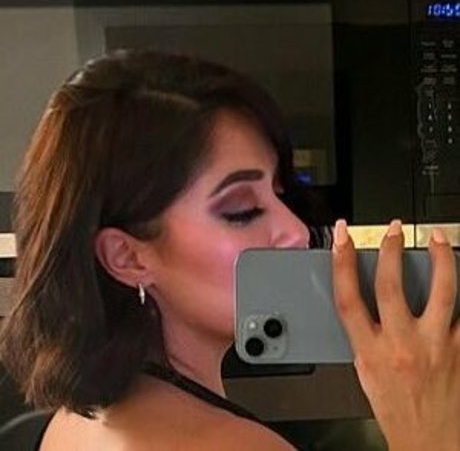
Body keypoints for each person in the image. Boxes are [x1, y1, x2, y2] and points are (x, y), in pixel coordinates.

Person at [0, 49, 459, 451]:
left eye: (279, 194)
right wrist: (429, 430)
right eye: (241, 211)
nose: (296, 232)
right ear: (128, 257)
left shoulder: (75, 420)